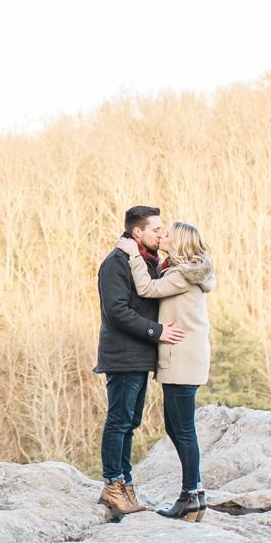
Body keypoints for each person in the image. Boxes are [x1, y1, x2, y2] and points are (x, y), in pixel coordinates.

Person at [92, 206, 188, 517]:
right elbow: (117, 311)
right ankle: (111, 486)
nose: (161, 234)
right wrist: (157, 332)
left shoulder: (146, 262)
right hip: (122, 355)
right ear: (137, 233)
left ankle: (126, 485)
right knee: (119, 421)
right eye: (156, 230)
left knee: (130, 422)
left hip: (139, 355)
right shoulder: (116, 263)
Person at [119, 220, 215, 520]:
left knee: (182, 429)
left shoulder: (180, 276)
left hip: (181, 360)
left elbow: (147, 289)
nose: (162, 236)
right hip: (189, 358)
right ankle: (194, 495)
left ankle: (191, 494)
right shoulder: (188, 272)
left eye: (168, 234)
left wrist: (134, 256)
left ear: (180, 243)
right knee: (177, 427)